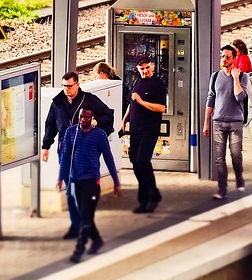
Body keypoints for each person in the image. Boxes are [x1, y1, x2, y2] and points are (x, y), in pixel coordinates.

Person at [42, 71, 116, 238]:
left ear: (77, 84)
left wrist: (97, 124)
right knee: (71, 190)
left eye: (70, 86)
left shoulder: (89, 100)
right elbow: (50, 125)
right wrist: (46, 146)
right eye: (64, 86)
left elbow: (108, 115)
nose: (67, 90)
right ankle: (76, 226)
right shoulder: (57, 102)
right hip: (65, 150)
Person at [57, 105, 122, 263]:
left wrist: (115, 181)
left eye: (86, 117)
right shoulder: (71, 132)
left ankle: (79, 250)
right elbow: (65, 156)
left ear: (92, 118)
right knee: (83, 215)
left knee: (85, 218)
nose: (82, 120)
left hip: (92, 182)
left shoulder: (99, 135)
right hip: (75, 181)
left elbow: (108, 158)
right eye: (81, 117)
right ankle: (97, 240)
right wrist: (60, 177)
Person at [204, 45, 251, 200]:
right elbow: (210, 99)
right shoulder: (215, 76)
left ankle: (239, 176)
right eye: (222, 56)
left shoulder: (243, 76)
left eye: (228, 57)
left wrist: (235, 77)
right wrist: (206, 123)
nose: (224, 59)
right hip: (218, 121)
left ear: (234, 58)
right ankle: (222, 189)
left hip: (235, 122)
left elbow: (239, 96)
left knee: (236, 154)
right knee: (219, 158)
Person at [121, 58, 168, 214]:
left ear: (152, 67)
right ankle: (147, 196)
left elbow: (161, 108)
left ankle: (152, 196)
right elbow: (131, 104)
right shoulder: (136, 82)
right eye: (142, 69)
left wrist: (142, 102)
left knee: (143, 160)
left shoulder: (158, 84)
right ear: (138, 69)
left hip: (150, 129)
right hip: (135, 128)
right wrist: (124, 121)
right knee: (135, 161)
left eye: (147, 68)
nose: (145, 71)